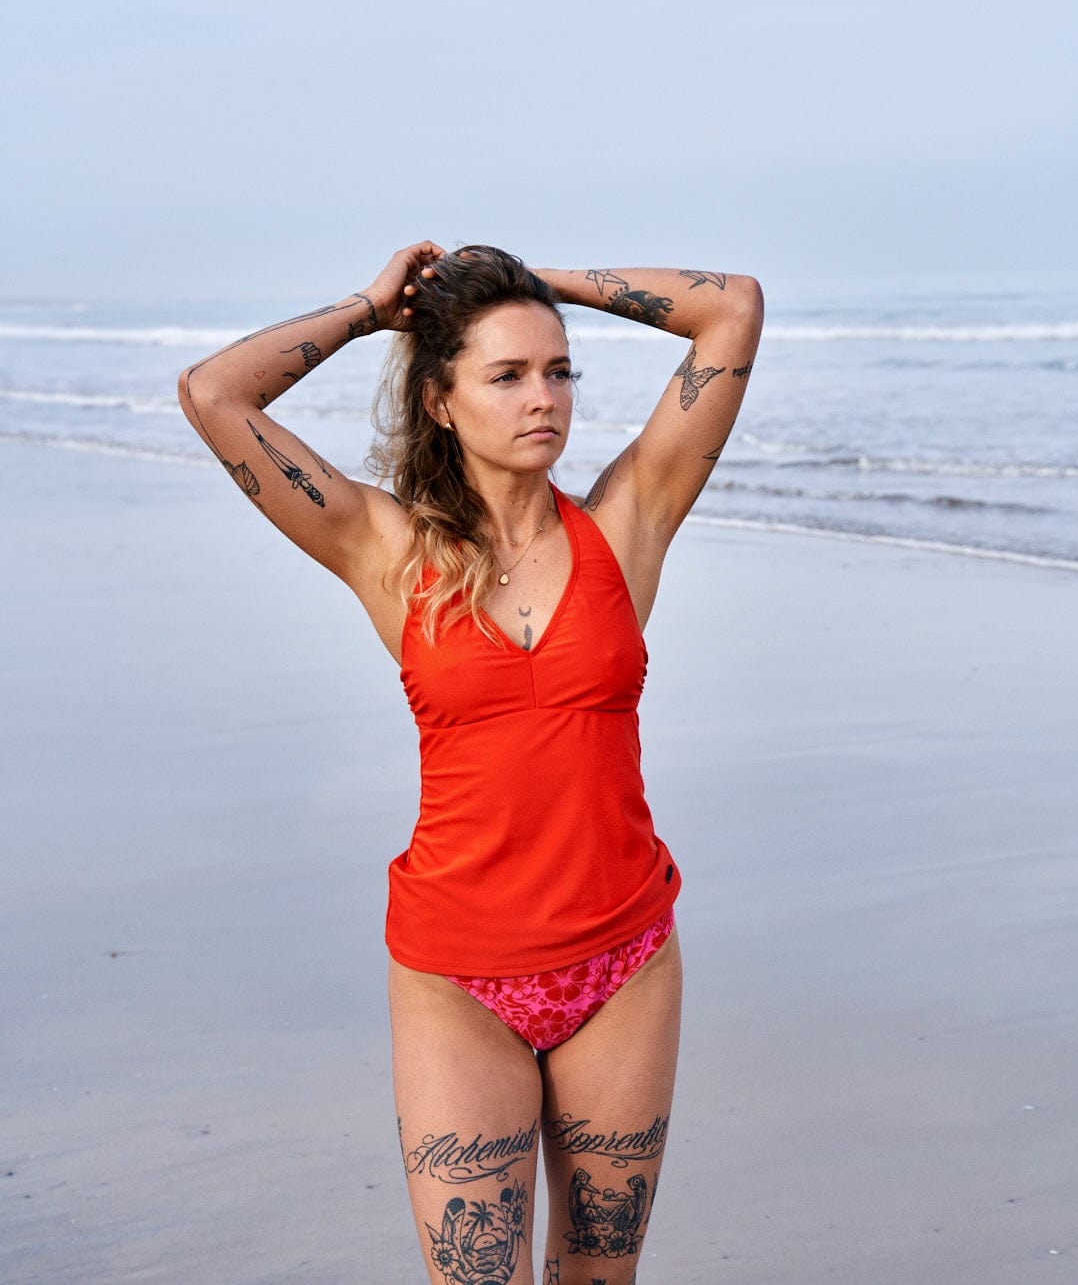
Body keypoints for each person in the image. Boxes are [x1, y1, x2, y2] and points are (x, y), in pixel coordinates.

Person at [179, 242, 764, 1284]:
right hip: (457, 975)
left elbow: (732, 311)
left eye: (558, 371)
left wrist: (544, 285)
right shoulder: (384, 549)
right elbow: (215, 393)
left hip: (622, 960)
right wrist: (371, 309)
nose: (544, 397)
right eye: (506, 375)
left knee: (597, 1278)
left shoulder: (629, 525)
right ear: (441, 400)